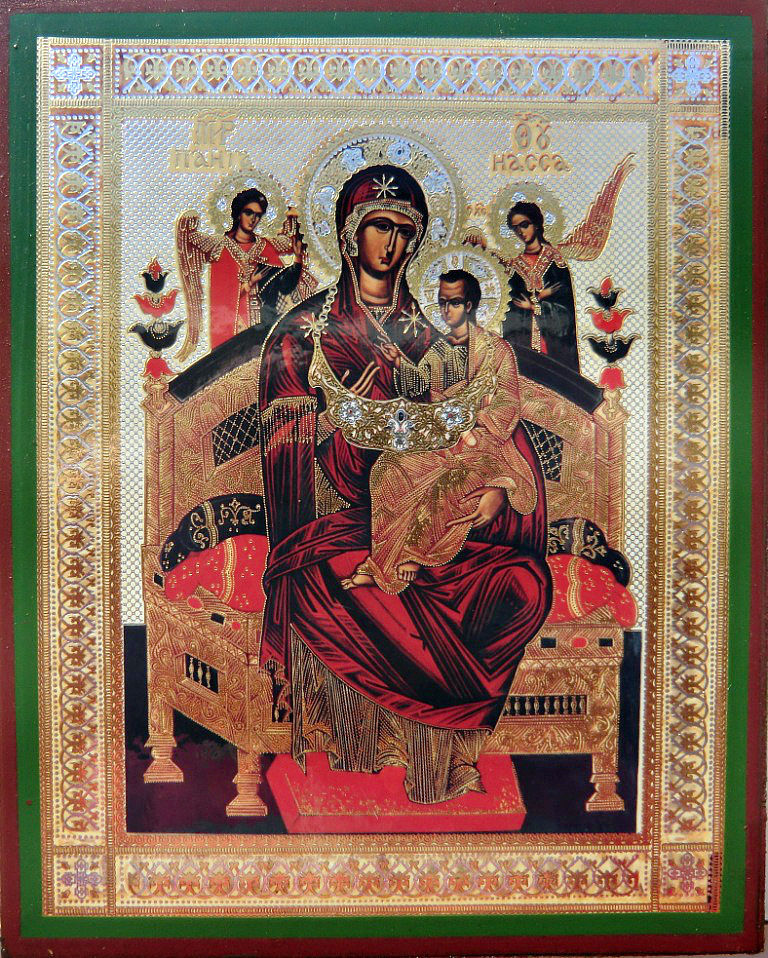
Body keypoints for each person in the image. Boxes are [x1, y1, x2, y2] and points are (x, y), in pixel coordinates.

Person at [258, 165, 552, 804]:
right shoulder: (304, 335)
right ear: (348, 235)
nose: (389, 243)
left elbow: (486, 420)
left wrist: (496, 486)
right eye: (377, 226)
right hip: (338, 521)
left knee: (523, 584)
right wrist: (335, 429)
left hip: (436, 513)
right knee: (374, 596)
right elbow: (286, 448)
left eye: (402, 230)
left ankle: (447, 757)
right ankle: (373, 756)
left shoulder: (433, 336)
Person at [343, 269, 537, 593]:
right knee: (388, 468)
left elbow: (508, 402)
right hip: (441, 438)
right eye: (443, 303)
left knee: (450, 482)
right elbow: (420, 388)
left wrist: (472, 419)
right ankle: (379, 562)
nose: (447, 310)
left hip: (484, 444)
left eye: (455, 303)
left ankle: (414, 555)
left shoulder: (496, 350)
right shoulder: (438, 350)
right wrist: (399, 363)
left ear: (470, 305)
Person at [175, 187, 316, 360]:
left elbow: (284, 284)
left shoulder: (266, 246)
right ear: (238, 213)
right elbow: (222, 294)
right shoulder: (219, 247)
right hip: (233, 327)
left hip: (263, 324)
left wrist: (298, 254)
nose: (253, 219)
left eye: (258, 215)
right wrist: (248, 284)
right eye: (248, 212)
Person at [500, 201, 580, 371]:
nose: (520, 232)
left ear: (536, 224)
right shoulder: (514, 268)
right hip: (525, 343)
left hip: (554, 345)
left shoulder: (556, 262)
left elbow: (566, 310)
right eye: (515, 228)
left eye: (524, 225)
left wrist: (535, 306)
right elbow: (510, 311)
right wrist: (533, 302)